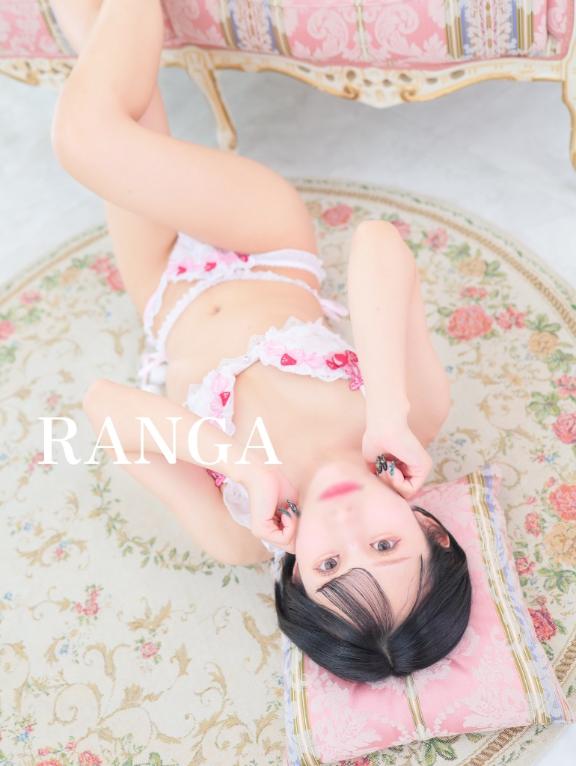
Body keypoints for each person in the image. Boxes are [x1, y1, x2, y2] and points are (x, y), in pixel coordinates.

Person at [50, 0, 471, 683]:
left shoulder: (235, 531)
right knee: (86, 139)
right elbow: (377, 244)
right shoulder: (411, 420)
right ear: (430, 530)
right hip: (263, 243)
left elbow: (105, 410)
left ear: (296, 576)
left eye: (330, 563)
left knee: (120, 101)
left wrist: (236, 463)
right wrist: (386, 409)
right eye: (384, 544)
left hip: (162, 293)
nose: (346, 527)